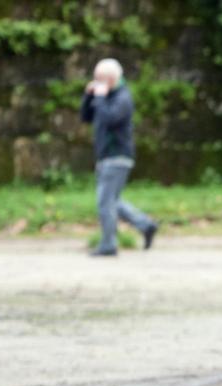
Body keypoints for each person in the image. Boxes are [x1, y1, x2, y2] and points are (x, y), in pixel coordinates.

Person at [80, 58, 158, 256]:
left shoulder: (122, 97)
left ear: (111, 78)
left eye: (99, 78)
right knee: (112, 201)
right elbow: (86, 117)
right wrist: (89, 97)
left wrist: (99, 98)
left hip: (118, 156)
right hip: (105, 155)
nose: (96, 81)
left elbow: (110, 119)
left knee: (104, 202)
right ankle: (146, 225)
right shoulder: (105, 97)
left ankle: (108, 244)